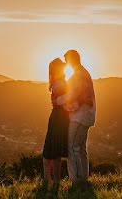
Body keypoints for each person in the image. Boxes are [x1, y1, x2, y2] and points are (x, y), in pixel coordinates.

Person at [56, 49, 96, 185]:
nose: (66, 64)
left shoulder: (77, 76)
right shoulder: (84, 73)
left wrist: (58, 100)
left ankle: (77, 181)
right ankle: (83, 179)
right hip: (87, 115)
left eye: (67, 61)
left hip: (79, 116)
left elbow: (71, 95)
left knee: (72, 147)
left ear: (72, 60)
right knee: (81, 148)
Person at [41, 58, 69, 188]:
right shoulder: (60, 84)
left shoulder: (56, 82)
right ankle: (56, 182)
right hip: (60, 117)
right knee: (56, 151)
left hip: (55, 117)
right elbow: (68, 99)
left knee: (49, 149)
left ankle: (47, 181)